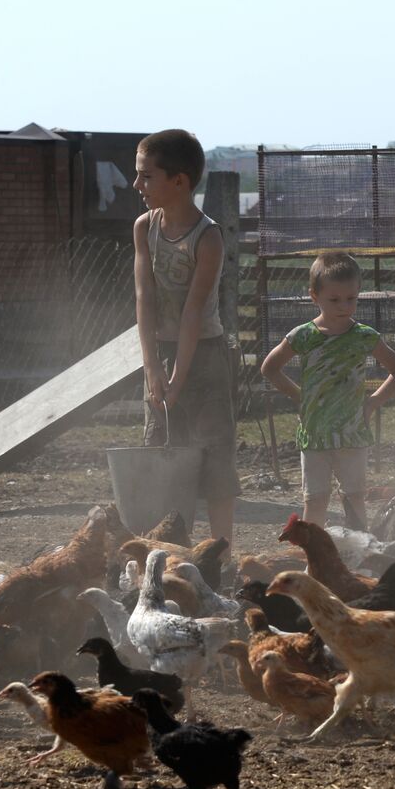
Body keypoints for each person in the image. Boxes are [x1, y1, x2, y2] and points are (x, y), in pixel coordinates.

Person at [132, 129, 239, 547]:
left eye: (146, 176)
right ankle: (163, 551)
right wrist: (153, 368)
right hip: (158, 351)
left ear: (179, 181)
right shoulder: (145, 227)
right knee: (159, 452)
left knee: (215, 456)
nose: (137, 185)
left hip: (207, 356)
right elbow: (144, 301)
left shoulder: (207, 237)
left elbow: (195, 310)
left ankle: (220, 554)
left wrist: (179, 376)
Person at [260, 253, 395, 529]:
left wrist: (373, 402)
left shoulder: (365, 336)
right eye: (334, 299)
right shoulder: (303, 336)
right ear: (314, 296)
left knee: (354, 498)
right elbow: (269, 368)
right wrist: (299, 396)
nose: (344, 306)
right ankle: (314, 561)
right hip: (314, 434)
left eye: (351, 298)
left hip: (352, 433)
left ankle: (359, 557)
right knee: (315, 500)